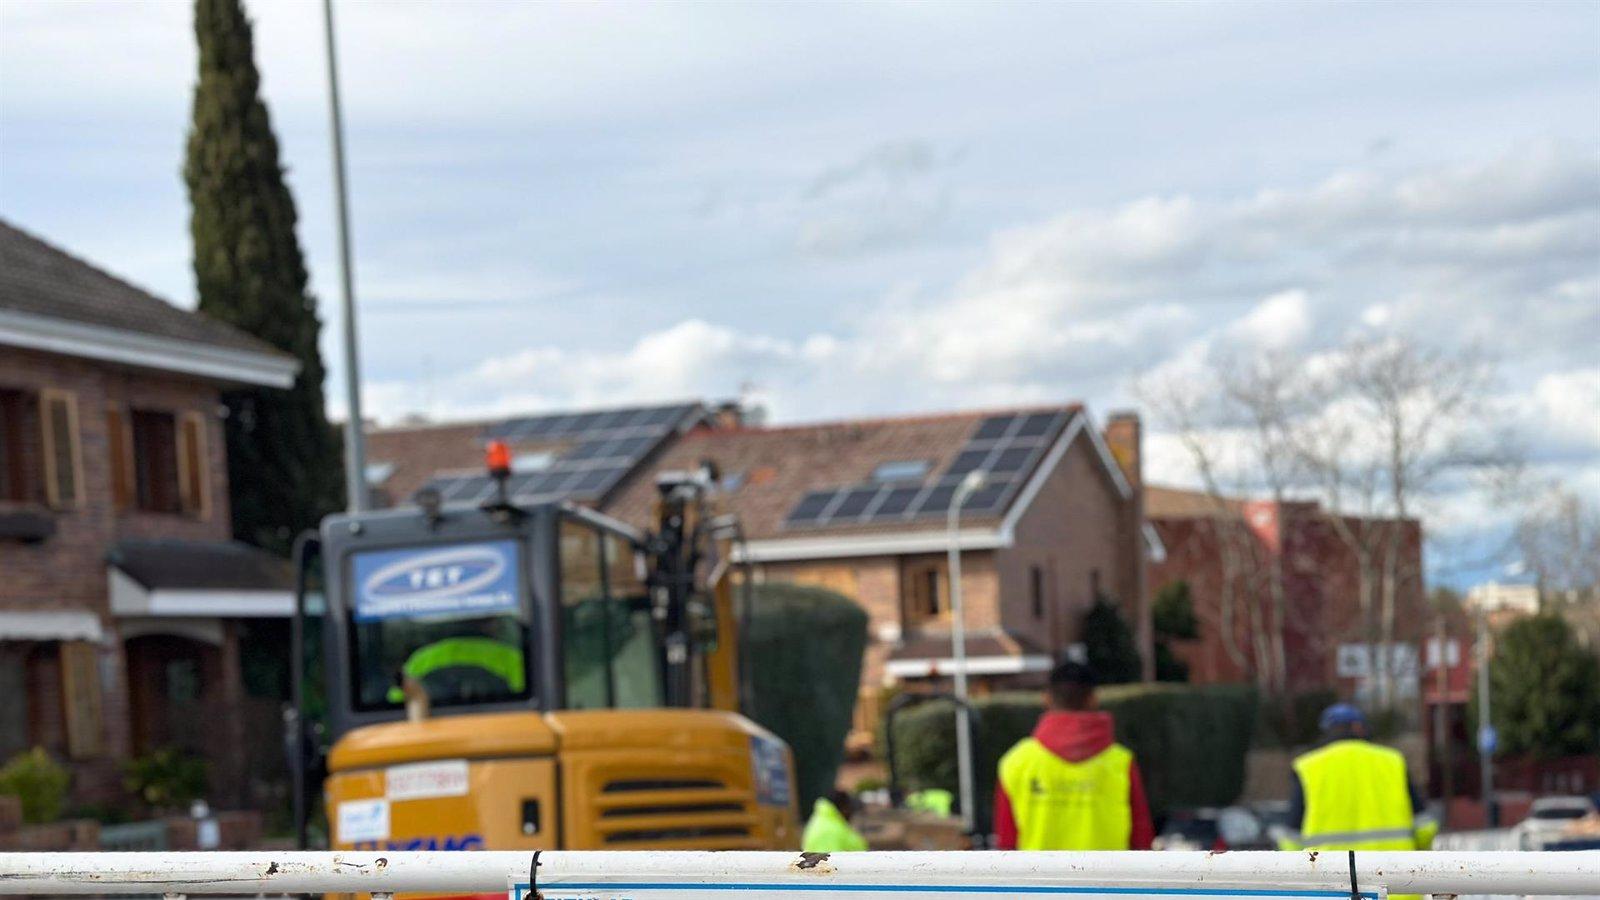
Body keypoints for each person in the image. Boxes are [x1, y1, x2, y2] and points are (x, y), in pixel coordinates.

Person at [994, 661, 1153, 850]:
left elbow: (1006, 843)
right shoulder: (1121, 762)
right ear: (1093, 699)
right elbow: (1142, 837)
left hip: (1038, 878)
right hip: (1108, 877)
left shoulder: (1016, 762)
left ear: (1046, 698)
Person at [1280, 703, 1438, 857]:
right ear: (1358, 727)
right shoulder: (1392, 761)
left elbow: (1291, 838)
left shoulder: (1307, 766)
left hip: (1329, 873)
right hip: (1393, 871)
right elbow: (1424, 827)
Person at [802, 789, 869, 852]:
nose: (851, 813)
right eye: (849, 808)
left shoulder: (829, 821)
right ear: (843, 808)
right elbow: (829, 862)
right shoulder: (829, 830)